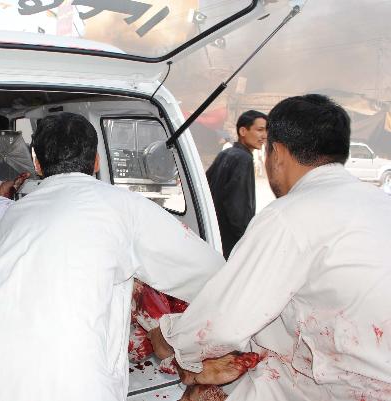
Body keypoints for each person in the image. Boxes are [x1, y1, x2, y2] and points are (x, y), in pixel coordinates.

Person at [0, 112, 224, 401]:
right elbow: (211, 273)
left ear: (37, 163)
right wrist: (176, 333)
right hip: (68, 379)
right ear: (97, 161)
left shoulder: (15, 213)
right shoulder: (123, 205)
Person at [149, 94, 391, 401]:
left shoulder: (290, 216)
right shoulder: (379, 203)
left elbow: (221, 323)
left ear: (276, 152)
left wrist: (168, 337)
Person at [206, 110, 267, 259]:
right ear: (243, 131)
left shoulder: (225, 154)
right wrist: (245, 240)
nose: (264, 136)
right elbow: (238, 207)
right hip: (230, 241)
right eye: (259, 130)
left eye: (266, 130)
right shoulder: (243, 159)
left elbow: (206, 186)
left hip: (214, 235)